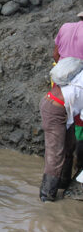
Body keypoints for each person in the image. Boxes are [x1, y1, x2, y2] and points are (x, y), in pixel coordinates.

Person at [39, 68, 83, 202]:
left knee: (69, 146)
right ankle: (47, 196)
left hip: (66, 110)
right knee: (56, 153)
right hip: (54, 108)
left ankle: (64, 184)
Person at [52, 11, 83, 175]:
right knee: (80, 127)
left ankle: (62, 179)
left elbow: (55, 54)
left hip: (60, 85)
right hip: (79, 89)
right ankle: (78, 172)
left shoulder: (65, 27)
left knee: (63, 129)